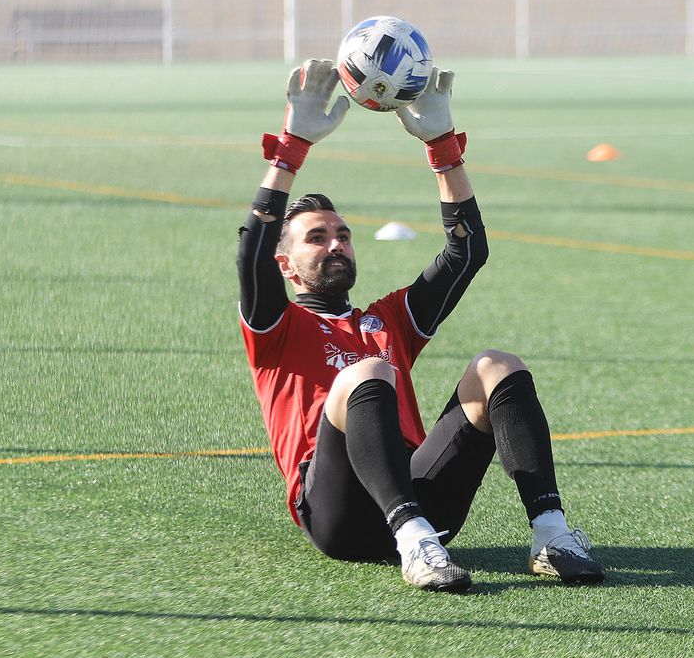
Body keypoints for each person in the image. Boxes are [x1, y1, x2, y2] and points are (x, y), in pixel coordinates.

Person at [236, 56, 605, 592]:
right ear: (285, 263)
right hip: (338, 517)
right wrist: (292, 147)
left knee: (497, 367)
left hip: (426, 500)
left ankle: (551, 534)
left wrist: (442, 147)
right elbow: (251, 251)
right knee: (369, 374)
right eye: (317, 238)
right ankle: (413, 542)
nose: (336, 242)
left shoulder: (386, 321)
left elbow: (467, 253)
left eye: (342, 234)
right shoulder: (275, 326)